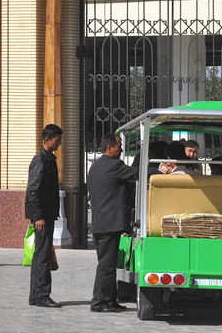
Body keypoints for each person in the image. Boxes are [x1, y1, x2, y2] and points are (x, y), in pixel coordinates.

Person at [87, 132, 136, 313]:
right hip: (109, 224)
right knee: (106, 266)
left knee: (107, 263)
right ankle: (99, 302)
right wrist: (160, 168)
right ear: (109, 148)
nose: (121, 149)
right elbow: (136, 173)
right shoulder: (115, 165)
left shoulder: (95, 166)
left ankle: (110, 300)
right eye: (119, 145)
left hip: (100, 223)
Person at [25, 124, 63, 308]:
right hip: (42, 216)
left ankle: (37, 295)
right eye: (57, 140)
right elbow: (33, 190)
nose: (59, 144)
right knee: (42, 256)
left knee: (43, 254)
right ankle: (40, 295)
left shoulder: (49, 159)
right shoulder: (40, 160)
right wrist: (38, 216)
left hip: (47, 214)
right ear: (47, 140)